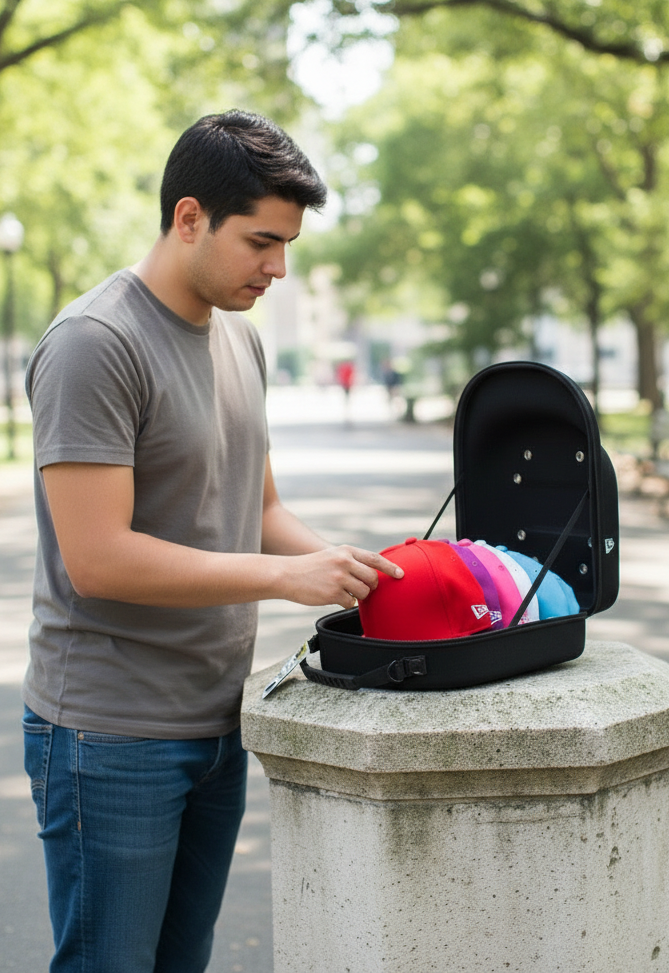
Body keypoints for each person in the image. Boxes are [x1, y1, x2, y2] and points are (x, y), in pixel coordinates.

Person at [21, 110, 403, 973]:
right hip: (108, 736)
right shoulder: (94, 345)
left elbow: (259, 509)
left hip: (217, 721)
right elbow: (98, 559)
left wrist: (358, 570)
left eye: (288, 246)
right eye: (261, 242)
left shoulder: (241, 337)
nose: (278, 268)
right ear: (189, 217)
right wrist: (284, 578)